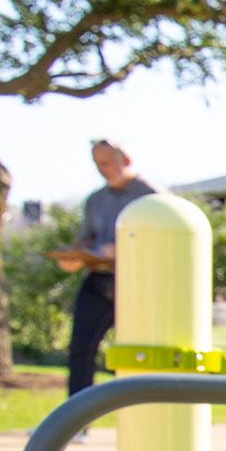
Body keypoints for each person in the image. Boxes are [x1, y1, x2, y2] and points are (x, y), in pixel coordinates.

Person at [50, 139, 152, 395]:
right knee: (80, 349)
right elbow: (86, 239)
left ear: (125, 160)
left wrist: (125, 249)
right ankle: (77, 413)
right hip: (98, 280)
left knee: (140, 353)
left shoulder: (151, 198)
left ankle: (141, 410)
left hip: (136, 283)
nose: (101, 169)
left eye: (106, 162)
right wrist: (74, 256)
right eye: (96, 163)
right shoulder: (95, 200)